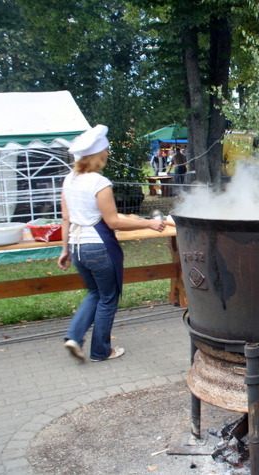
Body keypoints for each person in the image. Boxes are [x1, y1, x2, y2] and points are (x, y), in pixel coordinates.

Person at [58, 125, 166, 362]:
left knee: (95, 293)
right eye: (106, 151)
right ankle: (101, 351)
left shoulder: (69, 180)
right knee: (108, 297)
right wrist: (148, 224)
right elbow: (113, 221)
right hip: (99, 248)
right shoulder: (99, 182)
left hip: (77, 247)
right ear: (99, 155)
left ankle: (74, 337)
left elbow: (66, 217)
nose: (107, 155)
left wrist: (65, 249)